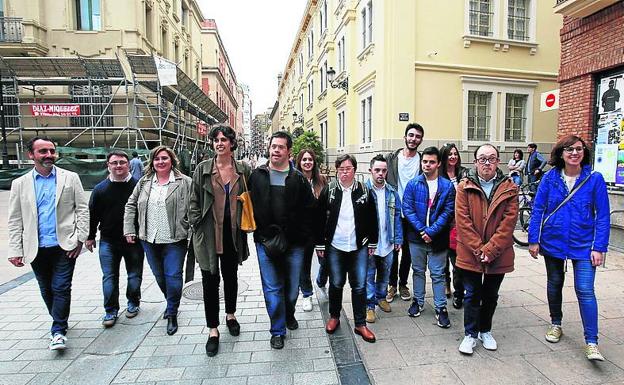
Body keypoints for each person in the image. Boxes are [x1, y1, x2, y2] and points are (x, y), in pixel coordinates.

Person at [528, 135, 610, 361]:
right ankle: (556, 323)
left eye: (579, 149)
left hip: (584, 244)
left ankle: (591, 342)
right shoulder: (549, 178)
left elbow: (602, 216)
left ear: (584, 152)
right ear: (561, 154)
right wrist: (534, 240)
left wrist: (599, 247)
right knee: (554, 284)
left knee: (585, 290)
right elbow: (538, 210)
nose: (574, 153)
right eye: (569, 149)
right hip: (553, 241)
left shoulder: (594, 179)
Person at [7, 136, 89, 350]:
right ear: (31, 155)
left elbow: (82, 209)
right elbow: (15, 219)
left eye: (52, 151)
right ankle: (59, 319)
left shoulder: (70, 178)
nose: (49, 155)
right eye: (43, 151)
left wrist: (80, 238)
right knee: (46, 289)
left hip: (64, 245)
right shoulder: (20, 184)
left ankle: (58, 331)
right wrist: (15, 250)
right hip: (35, 247)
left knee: (61, 287)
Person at [248, 131, 315, 349]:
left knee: (292, 288)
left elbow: (309, 211)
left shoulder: (298, 179)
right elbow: (247, 206)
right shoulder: (257, 175)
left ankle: (289, 313)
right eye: (273, 146)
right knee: (272, 288)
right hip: (265, 242)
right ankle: (277, 330)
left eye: (280, 147)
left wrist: (304, 238)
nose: (275, 150)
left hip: (294, 244)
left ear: (289, 151)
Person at [189, 125, 251, 357]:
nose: (219, 143)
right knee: (209, 280)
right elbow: (193, 200)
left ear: (232, 143)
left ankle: (231, 315)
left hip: (233, 233)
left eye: (224, 139)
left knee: (231, 276)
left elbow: (251, 196)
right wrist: (196, 224)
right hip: (208, 234)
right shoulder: (203, 169)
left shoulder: (243, 170)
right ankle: (213, 329)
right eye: (216, 140)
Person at [455, 144, 518, 355]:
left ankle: (485, 330)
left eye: (491, 158)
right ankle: (470, 334)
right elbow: (462, 222)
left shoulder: (509, 187)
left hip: (498, 254)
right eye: (482, 159)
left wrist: (490, 249)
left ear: (498, 162)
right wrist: (479, 248)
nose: (487, 163)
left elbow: (509, 223)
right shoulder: (463, 187)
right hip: (470, 253)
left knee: (491, 295)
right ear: (475, 162)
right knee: (472, 294)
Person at [124, 145, 192, 336]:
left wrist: (190, 229)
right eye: (157, 159)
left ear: (172, 161)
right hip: (149, 238)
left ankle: (172, 312)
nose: (160, 162)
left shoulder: (184, 182)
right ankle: (171, 301)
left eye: (164, 158)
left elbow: (194, 207)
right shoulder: (145, 182)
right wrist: (129, 229)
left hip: (175, 238)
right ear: (152, 162)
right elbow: (130, 205)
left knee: (173, 275)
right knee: (160, 276)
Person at [316, 154, 378, 343]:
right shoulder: (330, 190)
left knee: (359, 285)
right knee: (336, 283)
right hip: (335, 245)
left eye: (348, 169)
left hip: (359, 245)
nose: (344, 172)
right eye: (341, 169)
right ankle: (334, 316)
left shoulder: (364, 191)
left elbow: (372, 217)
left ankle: (360, 324)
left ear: (354, 170)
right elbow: (318, 218)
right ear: (337, 171)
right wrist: (320, 243)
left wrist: (372, 242)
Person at [86, 150, 144, 328]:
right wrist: (90, 237)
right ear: (108, 166)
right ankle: (110, 310)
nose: (118, 166)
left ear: (129, 165)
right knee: (109, 276)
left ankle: (133, 302)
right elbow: (92, 214)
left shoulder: (138, 187)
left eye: (122, 162)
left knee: (134, 274)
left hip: (134, 240)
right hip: (108, 240)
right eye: (114, 163)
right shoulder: (100, 189)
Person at [402, 147, 455, 328]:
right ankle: (418, 301)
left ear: (438, 163)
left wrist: (431, 231)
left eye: (431, 162)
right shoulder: (413, 184)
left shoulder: (447, 186)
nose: (427, 165)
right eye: (424, 161)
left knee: (438, 274)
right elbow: (407, 208)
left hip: (438, 238)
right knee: (417, 270)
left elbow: (448, 212)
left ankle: (441, 308)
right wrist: (422, 230)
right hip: (416, 238)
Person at [385, 123, 424, 303]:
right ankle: (392, 284)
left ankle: (402, 284)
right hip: (394, 211)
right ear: (405, 137)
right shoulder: (391, 159)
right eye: (411, 135)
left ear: (420, 140)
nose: (413, 139)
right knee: (393, 250)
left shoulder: (423, 161)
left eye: (417, 136)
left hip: (412, 213)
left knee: (408, 251)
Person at [364, 154, 402, 322]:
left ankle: (381, 298)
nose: (380, 173)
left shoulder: (392, 192)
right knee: (369, 275)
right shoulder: (363, 190)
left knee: (384, 274)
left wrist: (398, 239)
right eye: (377, 170)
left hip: (388, 243)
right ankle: (369, 305)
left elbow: (397, 217)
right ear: (370, 171)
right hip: (369, 245)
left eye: (384, 171)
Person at [295, 148, 328, 311]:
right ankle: (307, 294)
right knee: (304, 264)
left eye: (310, 160)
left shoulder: (322, 180)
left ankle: (321, 282)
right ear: (299, 162)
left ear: (314, 162)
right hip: (303, 230)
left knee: (326, 261)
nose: (307, 162)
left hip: (321, 229)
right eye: (304, 159)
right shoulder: (294, 180)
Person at [440, 143, 468, 309]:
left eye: (455, 154)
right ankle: (446, 283)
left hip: (460, 224)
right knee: (443, 260)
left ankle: (459, 293)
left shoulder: (464, 172)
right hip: (444, 223)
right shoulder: (439, 174)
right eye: (449, 154)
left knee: (458, 262)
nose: (453, 157)